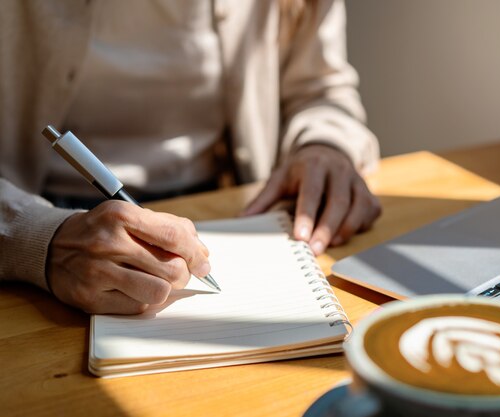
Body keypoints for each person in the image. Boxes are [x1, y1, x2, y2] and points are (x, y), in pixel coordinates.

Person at [0, 0, 381, 314]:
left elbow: (322, 91)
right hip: (39, 206)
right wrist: (39, 237)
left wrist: (326, 145)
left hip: (224, 202)